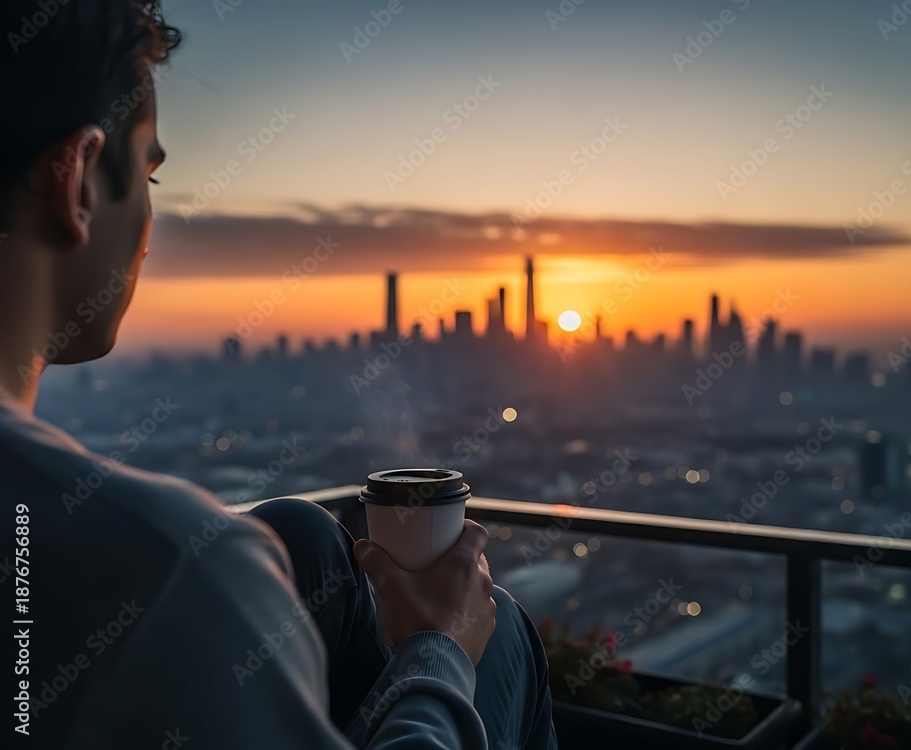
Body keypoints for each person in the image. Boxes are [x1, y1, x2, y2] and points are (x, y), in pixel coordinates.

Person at [0, 2, 556, 748]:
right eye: (151, 180)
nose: (149, 236)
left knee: (301, 532)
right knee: (503, 630)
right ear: (75, 182)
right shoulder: (172, 567)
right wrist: (441, 650)